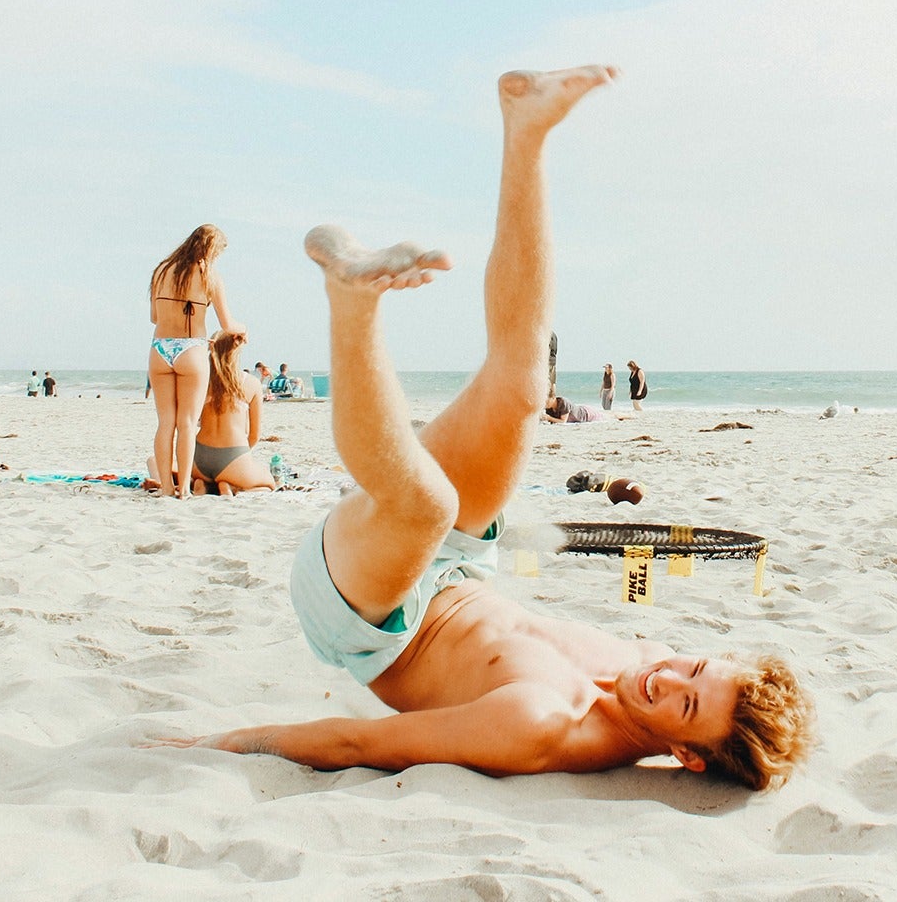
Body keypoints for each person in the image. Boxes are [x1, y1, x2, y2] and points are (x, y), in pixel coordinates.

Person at [147, 66, 812, 788]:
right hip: (461, 564)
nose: (667, 675)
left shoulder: (541, 730)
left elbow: (361, 744)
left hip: (371, 611)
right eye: (695, 667)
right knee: (525, 386)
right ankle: (526, 130)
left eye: (685, 704)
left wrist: (212, 745)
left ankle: (352, 301)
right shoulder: (647, 657)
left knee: (425, 503)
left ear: (685, 755)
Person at [149, 224, 238, 499]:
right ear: (212, 250)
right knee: (187, 423)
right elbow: (227, 324)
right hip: (191, 348)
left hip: (160, 348)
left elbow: (154, 317)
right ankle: (184, 489)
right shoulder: (209, 275)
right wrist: (242, 328)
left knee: (165, 423)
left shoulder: (162, 270)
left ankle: (165, 487)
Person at [191, 330, 275, 495]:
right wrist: (240, 457)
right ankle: (230, 485)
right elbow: (254, 436)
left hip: (198, 458)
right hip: (233, 455)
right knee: (269, 480)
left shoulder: (201, 380)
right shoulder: (251, 383)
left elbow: (189, 422)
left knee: (204, 476)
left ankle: (204, 483)